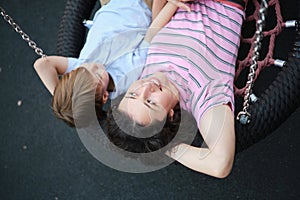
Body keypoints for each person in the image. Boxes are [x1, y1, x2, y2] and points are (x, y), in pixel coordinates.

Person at [107, 0, 247, 178]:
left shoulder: (145, 71)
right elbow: (220, 165)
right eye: (150, 102)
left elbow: (156, 26)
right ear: (170, 116)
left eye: (132, 94)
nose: (146, 87)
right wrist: (165, 147)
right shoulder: (203, 95)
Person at [34, 0, 191, 127]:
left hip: (109, 4)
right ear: (104, 96)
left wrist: (63, 95)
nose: (92, 65)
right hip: (141, 6)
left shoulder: (82, 69)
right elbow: (152, 33)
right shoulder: (127, 76)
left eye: (84, 68)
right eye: (97, 74)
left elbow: (42, 65)